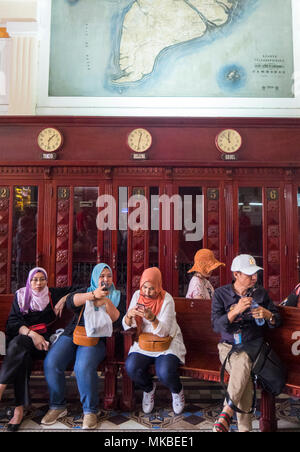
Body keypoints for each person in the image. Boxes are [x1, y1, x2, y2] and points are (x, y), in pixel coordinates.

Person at [42, 263, 125, 430]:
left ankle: (90, 411)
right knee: (52, 362)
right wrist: (93, 295)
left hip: (98, 338)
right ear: (95, 277)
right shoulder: (86, 290)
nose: (105, 279)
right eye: (101, 276)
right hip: (74, 332)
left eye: (108, 276)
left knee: (82, 366)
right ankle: (57, 406)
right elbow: (71, 302)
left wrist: (106, 300)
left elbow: (118, 319)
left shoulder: (118, 296)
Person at [211, 254, 281, 432]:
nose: (254, 278)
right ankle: (244, 429)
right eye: (249, 274)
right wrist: (235, 312)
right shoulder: (220, 294)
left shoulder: (261, 293)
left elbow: (276, 320)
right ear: (236, 274)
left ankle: (227, 412)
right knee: (244, 368)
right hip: (228, 347)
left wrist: (268, 315)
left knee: (243, 363)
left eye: (255, 273)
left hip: (254, 347)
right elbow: (216, 325)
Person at [0, 267, 74, 432]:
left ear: (46, 281)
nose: (38, 283)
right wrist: (33, 335)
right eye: (34, 279)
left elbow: (81, 289)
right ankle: (19, 409)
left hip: (43, 346)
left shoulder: (53, 294)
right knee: (21, 350)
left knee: (19, 347)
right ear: (29, 281)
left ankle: (1, 387)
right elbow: (12, 324)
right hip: (23, 342)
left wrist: (64, 299)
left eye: (42, 279)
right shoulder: (21, 296)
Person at [123, 267, 186, 415]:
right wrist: (130, 315)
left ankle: (177, 391)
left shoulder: (167, 300)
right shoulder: (137, 295)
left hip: (166, 342)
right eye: (144, 287)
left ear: (158, 287)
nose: (147, 292)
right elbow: (127, 325)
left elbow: (164, 331)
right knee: (131, 367)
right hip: (144, 341)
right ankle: (148, 388)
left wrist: (152, 318)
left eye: (152, 288)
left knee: (164, 371)